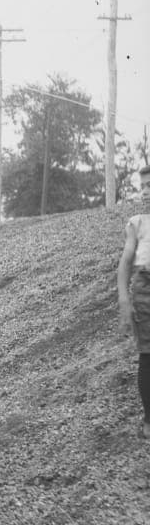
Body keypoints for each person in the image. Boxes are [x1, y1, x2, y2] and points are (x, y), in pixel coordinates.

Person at [117, 163, 150, 440]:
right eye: (144, 187)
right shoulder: (137, 223)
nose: (147, 192)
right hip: (146, 290)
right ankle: (149, 421)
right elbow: (126, 262)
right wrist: (124, 298)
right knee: (148, 355)